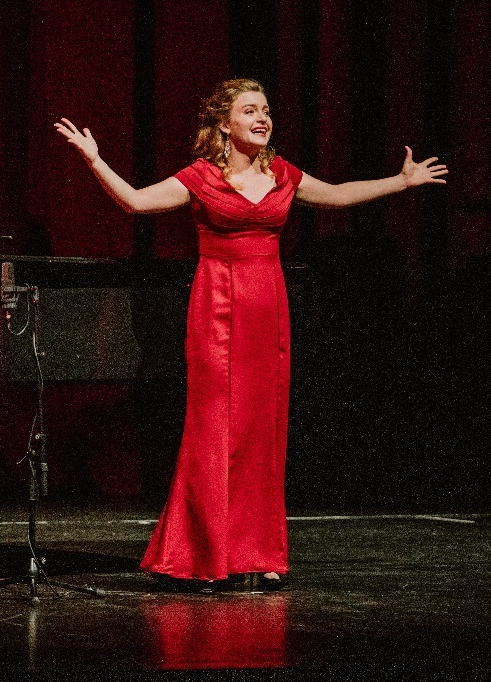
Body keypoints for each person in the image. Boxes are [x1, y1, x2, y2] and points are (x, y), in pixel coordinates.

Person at [56, 78, 447, 590]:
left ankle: (256, 551)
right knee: (215, 430)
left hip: (269, 312)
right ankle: (202, 555)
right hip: (216, 309)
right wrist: (94, 158)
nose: (262, 118)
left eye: (265, 109)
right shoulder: (200, 177)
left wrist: (399, 182)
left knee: (261, 435)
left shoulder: (281, 173)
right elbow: (134, 202)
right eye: (249, 110)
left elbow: (335, 195)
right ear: (224, 124)